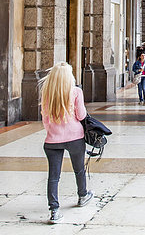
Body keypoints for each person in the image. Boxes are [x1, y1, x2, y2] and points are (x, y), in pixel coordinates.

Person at [40, 62, 93, 224]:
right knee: (79, 169)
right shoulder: (76, 92)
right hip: (75, 137)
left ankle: (54, 210)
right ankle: (82, 195)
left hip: (52, 140)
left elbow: (45, 119)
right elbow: (82, 115)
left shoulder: (47, 94)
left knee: (53, 177)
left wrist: (53, 130)